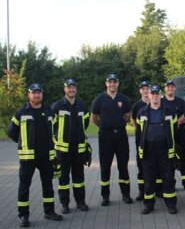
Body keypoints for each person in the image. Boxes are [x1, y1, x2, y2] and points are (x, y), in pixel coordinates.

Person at [8, 83, 63, 227]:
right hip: (28, 157)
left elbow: (56, 127)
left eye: (39, 92)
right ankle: (23, 216)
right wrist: (22, 143)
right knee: (24, 186)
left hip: (46, 156)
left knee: (48, 185)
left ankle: (49, 211)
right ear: (29, 95)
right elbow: (11, 131)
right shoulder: (21, 112)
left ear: (42, 94)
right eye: (34, 93)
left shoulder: (49, 111)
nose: (37, 95)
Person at [91, 74, 133, 206]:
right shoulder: (99, 99)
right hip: (105, 136)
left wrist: (117, 123)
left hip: (120, 135)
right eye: (110, 82)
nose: (112, 84)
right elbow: (94, 118)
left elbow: (127, 117)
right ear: (106, 84)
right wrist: (104, 126)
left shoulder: (123, 99)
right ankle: (105, 196)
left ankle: (125, 195)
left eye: (114, 82)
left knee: (123, 166)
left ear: (118, 84)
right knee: (105, 166)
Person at [136, 85, 178, 215]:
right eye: (152, 93)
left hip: (165, 148)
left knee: (168, 177)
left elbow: (174, 129)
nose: (154, 96)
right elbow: (139, 132)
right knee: (149, 178)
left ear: (160, 95)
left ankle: (170, 203)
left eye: (156, 93)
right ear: (148, 95)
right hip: (149, 149)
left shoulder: (169, 111)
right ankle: (148, 204)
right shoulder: (141, 112)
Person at [52, 79, 90, 214]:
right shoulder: (57, 106)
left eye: (73, 87)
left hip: (78, 149)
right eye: (69, 87)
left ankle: (81, 202)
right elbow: (51, 126)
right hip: (62, 150)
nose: (71, 89)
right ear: (65, 89)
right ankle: (64, 204)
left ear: (76, 89)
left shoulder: (82, 106)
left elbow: (85, 124)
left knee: (79, 178)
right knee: (63, 179)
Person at [162, 79, 185, 189]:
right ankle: (170, 185)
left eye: (172, 86)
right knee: (168, 161)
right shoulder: (161, 101)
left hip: (180, 134)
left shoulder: (181, 101)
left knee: (183, 159)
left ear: (175, 88)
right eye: (168, 86)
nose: (170, 88)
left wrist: (176, 123)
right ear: (165, 89)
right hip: (166, 136)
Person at [131, 81, 151, 201]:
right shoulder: (136, 106)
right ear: (140, 91)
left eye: (147, 89)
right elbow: (133, 121)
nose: (145, 91)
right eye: (143, 89)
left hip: (154, 141)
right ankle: (142, 191)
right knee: (141, 166)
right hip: (141, 141)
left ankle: (157, 190)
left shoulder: (156, 103)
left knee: (155, 166)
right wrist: (140, 132)